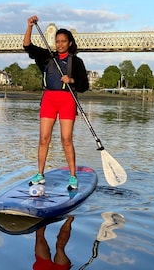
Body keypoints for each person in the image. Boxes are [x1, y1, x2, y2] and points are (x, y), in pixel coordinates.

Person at [23, 15, 89, 190]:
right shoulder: (46, 57)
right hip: (49, 100)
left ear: (69, 43)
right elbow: (27, 46)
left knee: (66, 139)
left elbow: (84, 86)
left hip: (67, 100)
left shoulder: (76, 61)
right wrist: (29, 26)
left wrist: (72, 80)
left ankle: (73, 177)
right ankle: (40, 174)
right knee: (44, 139)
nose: (60, 44)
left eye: (63, 41)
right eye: (57, 41)